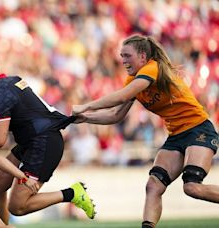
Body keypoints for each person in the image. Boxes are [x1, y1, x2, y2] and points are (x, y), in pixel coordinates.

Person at [72, 34, 219, 228]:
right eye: (121, 56)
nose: (123, 61)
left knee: (191, 187)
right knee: (153, 186)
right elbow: (116, 115)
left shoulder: (152, 68)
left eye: (127, 55)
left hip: (199, 129)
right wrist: (85, 118)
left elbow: (121, 96)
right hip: (176, 136)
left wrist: (86, 106)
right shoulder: (134, 81)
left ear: (142, 56)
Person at [0, 47, 96, 224]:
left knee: (17, 207)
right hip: (31, 142)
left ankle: (72, 193)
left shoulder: (1, 92)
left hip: (43, 142)